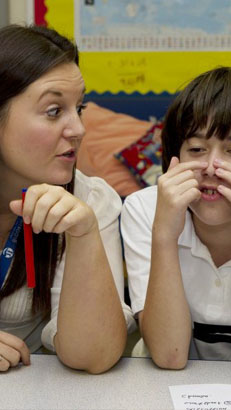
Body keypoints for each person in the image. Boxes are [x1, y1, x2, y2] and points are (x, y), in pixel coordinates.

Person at [121, 66, 231, 378]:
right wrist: (164, 234)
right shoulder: (145, 209)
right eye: (196, 149)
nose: (211, 167)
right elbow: (169, 355)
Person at [0, 24, 135, 373]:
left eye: (80, 107)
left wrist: (84, 233)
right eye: (54, 111)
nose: (78, 129)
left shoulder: (91, 199)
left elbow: (92, 356)